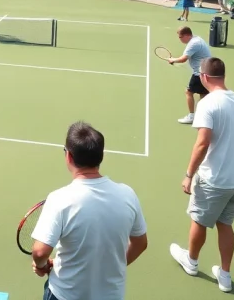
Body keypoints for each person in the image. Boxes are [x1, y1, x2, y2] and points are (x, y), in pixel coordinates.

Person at [170, 57, 234, 293]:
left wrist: (189, 174)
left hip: (214, 179)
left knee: (199, 218)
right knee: (225, 223)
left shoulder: (208, 104)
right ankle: (225, 275)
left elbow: (202, 143)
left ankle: (191, 261)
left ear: (205, 77)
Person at [31, 122, 148, 300]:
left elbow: (40, 252)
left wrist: (41, 266)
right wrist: (111, 268)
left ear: (68, 156)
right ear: (101, 156)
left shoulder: (59, 199)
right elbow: (140, 243)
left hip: (64, 295)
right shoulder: (128, 195)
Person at [168, 27, 212, 124]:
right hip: (207, 71)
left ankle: (192, 116)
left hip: (200, 73)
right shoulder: (197, 39)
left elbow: (184, 59)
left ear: (187, 35)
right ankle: (206, 116)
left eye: (180, 37)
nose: (180, 39)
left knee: (188, 92)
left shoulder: (193, 44)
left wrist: (173, 60)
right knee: (203, 95)